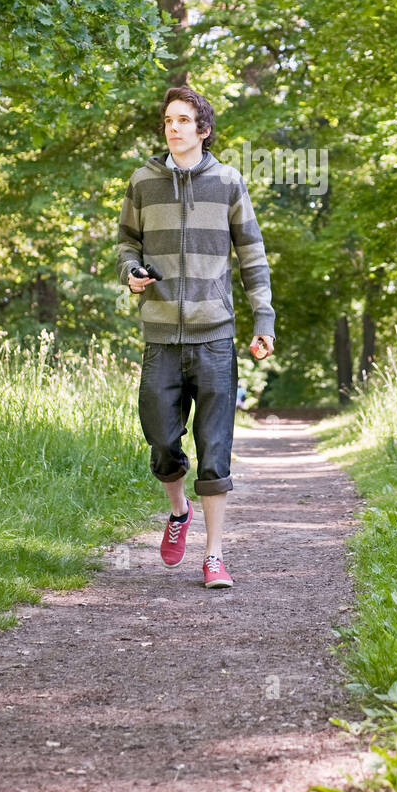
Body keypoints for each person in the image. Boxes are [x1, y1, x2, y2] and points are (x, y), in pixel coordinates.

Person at [117, 85, 275, 588]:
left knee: (215, 446)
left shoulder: (228, 182)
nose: (173, 127)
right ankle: (178, 510)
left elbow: (252, 255)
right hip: (161, 334)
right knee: (162, 440)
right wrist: (131, 271)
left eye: (183, 120)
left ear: (203, 130)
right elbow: (127, 241)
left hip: (214, 337)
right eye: (168, 120)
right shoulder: (143, 181)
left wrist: (263, 320)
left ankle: (213, 556)